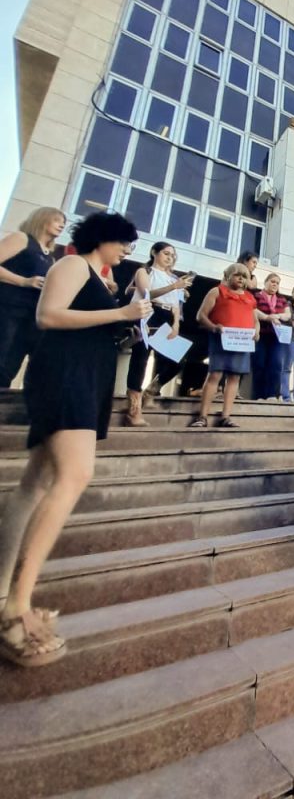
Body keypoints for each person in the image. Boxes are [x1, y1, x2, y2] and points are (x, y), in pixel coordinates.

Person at [0, 212, 150, 667]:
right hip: (66, 376)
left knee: (36, 483)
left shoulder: (102, 280)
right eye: (123, 243)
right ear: (104, 239)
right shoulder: (70, 266)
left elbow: (89, 322)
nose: (126, 251)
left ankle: (5, 589)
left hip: (87, 376)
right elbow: (48, 316)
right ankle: (16, 609)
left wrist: (124, 322)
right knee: (74, 475)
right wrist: (120, 313)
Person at [123, 242, 193, 426]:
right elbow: (147, 293)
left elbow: (177, 304)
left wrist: (176, 323)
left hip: (168, 316)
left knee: (179, 358)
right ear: (154, 252)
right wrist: (174, 286)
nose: (170, 257)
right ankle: (134, 409)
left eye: (173, 255)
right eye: (166, 253)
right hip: (149, 312)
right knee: (141, 359)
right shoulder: (144, 272)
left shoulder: (173, 278)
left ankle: (153, 388)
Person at [0, 207, 66, 388]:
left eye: (63, 223)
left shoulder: (50, 257)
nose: (61, 225)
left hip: (30, 317)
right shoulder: (21, 239)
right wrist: (23, 281)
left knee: (11, 366)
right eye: (57, 220)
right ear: (42, 219)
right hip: (7, 309)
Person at [189, 264, 258, 428]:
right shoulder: (217, 291)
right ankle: (202, 416)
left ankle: (225, 416)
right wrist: (214, 327)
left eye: (244, 276)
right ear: (228, 276)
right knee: (215, 376)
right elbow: (201, 316)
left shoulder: (249, 297)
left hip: (242, 342)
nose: (240, 279)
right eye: (237, 275)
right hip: (221, 340)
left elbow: (255, 319)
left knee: (234, 378)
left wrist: (257, 331)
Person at [251, 272, 291, 400]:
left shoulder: (282, 299)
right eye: (273, 281)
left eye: (277, 283)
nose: (275, 284)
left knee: (276, 364)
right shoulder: (256, 296)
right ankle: (258, 395)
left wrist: (277, 316)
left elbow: (287, 315)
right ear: (266, 282)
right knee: (259, 364)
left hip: (277, 337)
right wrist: (267, 317)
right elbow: (252, 310)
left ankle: (272, 395)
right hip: (261, 334)